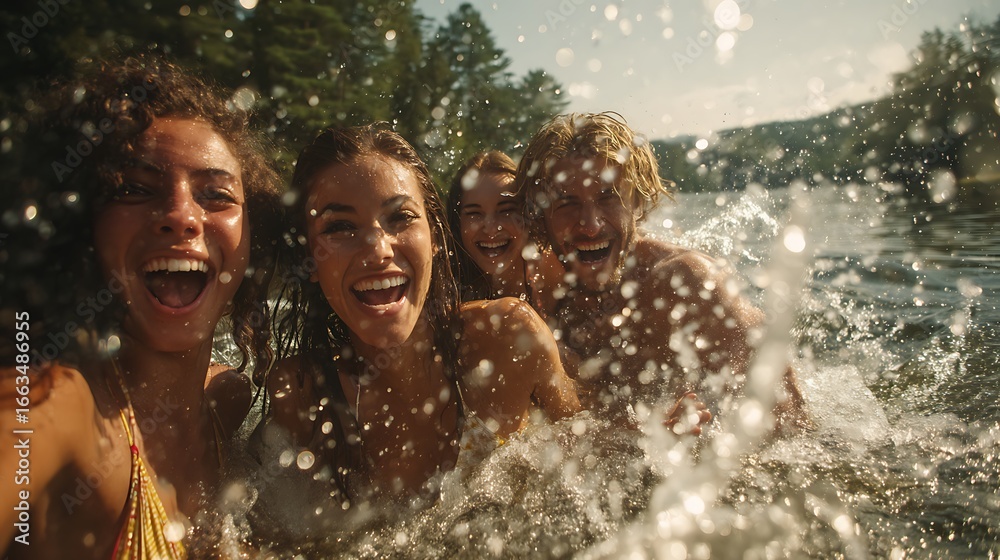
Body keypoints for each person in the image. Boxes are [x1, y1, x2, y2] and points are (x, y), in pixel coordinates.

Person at [0, 54, 282, 559]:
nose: (180, 216)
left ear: (251, 241)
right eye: (133, 189)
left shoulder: (229, 397)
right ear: (82, 226)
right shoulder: (57, 410)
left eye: (216, 195)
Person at [261, 125, 583, 509]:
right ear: (308, 258)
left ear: (434, 236)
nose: (378, 249)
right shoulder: (302, 393)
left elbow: (592, 460)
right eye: (341, 226)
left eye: (400, 217)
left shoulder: (509, 336)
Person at [514, 112, 806, 429]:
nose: (590, 225)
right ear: (541, 215)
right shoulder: (536, 290)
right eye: (567, 202)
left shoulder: (689, 285)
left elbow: (792, 426)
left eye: (608, 197)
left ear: (637, 203)